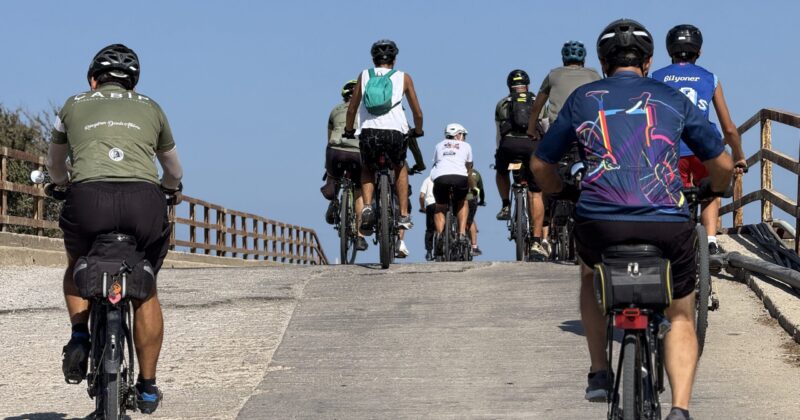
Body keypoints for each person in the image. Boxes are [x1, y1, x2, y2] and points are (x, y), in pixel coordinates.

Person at [532, 19, 733, 420]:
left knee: (589, 275)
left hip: (601, 221)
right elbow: (723, 164)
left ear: (604, 61)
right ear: (648, 61)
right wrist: (714, 187)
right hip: (666, 221)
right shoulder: (671, 98)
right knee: (680, 313)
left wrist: (562, 190)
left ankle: (599, 371)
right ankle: (680, 410)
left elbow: (540, 165)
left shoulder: (584, 98)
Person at [47, 44, 184, 414]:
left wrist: (61, 184)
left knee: (76, 260)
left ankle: (80, 334)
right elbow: (174, 170)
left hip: (88, 201)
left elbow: (55, 165)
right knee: (145, 285)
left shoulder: (72, 105)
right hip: (143, 204)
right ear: (132, 84)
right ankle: (148, 387)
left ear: (93, 80)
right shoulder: (152, 108)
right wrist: (170, 189)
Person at [651, 24, 747, 255]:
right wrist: (739, 156)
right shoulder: (709, 78)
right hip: (704, 149)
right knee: (711, 190)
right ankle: (711, 241)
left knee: (673, 194)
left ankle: (674, 240)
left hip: (670, 149)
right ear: (699, 52)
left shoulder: (655, 78)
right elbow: (729, 129)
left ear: (669, 50)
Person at [344, 39, 424, 258]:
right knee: (400, 166)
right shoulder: (403, 77)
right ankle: (404, 214)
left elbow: (352, 108)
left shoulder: (364, 75)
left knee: (368, 168)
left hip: (369, 132)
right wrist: (418, 130)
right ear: (394, 60)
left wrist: (349, 129)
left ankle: (368, 207)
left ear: (373, 60)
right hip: (395, 133)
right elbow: (417, 111)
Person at [494, 69, 548, 259]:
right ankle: (536, 242)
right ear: (528, 85)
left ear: (509, 86)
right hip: (532, 146)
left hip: (509, 145)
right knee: (536, 193)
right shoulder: (537, 101)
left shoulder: (502, 103)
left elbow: (499, 134)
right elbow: (546, 128)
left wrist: (500, 153)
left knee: (501, 171)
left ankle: (505, 204)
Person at [322, 80, 368, 251]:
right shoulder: (366, 111)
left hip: (335, 152)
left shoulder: (334, 110)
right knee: (359, 191)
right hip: (357, 153)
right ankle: (360, 237)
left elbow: (329, 138)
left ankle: (334, 202)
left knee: (333, 174)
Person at [527, 40, 601, 139]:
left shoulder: (553, 75)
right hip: (586, 129)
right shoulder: (594, 75)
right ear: (583, 59)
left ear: (563, 59)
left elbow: (537, 106)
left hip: (559, 129)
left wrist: (531, 129)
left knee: (546, 148)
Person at [431, 123, 473, 257]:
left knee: (440, 206)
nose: (464, 138)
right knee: (462, 201)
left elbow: (436, 163)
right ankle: (461, 234)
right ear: (458, 135)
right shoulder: (466, 146)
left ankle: (439, 235)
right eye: (463, 135)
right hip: (459, 178)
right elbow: (469, 168)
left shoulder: (439, 145)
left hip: (441, 178)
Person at [466, 168, 485, 256]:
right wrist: (482, 201)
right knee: (470, 220)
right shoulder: (476, 173)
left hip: (457, 198)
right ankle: (474, 247)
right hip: (471, 198)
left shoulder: (456, 169)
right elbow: (481, 190)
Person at [419, 175, 436, 261]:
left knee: (430, 229)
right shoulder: (443, 177)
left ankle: (429, 252)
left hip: (431, 205)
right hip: (442, 204)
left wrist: (422, 207)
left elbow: (422, 196)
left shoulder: (427, 180)